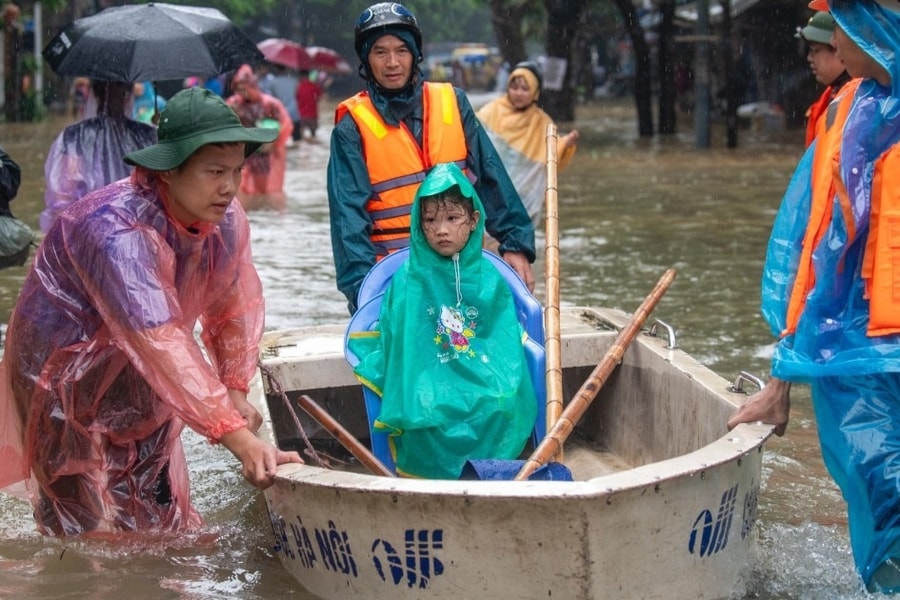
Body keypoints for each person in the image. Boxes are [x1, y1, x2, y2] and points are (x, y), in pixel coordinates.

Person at [0, 87, 303, 537]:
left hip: (140, 373)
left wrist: (236, 388)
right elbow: (160, 341)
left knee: (157, 520)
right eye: (215, 171)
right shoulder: (117, 231)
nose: (230, 186)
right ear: (167, 171)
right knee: (77, 529)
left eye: (237, 171)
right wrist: (237, 436)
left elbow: (232, 309)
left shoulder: (226, 220)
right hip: (57, 372)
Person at [727, 0, 900, 593]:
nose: (825, 47)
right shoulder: (848, 110)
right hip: (855, 339)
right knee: (874, 474)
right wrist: (782, 377)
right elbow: (814, 249)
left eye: (840, 32)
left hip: (869, 337)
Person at [328, 2, 536, 314]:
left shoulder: (454, 102)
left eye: (401, 50)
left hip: (461, 270)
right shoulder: (351, 127)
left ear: (415, 54)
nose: (392, 62)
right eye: (380, 52)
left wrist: (516, 244)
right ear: (366, 60)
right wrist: (363, 292)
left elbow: (492, 178)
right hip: (394, 279)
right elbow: (348, 221)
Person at [347, 162, 537, 479]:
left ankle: (490, 469)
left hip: (481, 365)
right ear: (419, 225)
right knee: (425, 408)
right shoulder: (409, 279)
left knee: (500, 399)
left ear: (474, 220)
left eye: (452, 218)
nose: (441, 230)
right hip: (425, 372)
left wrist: (492, 373)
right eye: (431, 220)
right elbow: (407, 345)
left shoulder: (488, 277)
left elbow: (500, 338)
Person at [41, 80, 158, 233]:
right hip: (139, 233)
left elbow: (62, 196)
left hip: (89, 235)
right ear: (129, 94)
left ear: (94, 92)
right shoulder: (147, 135)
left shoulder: (74, 136)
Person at [477, 61, 580, 228]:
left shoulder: (542, 123)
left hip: (522, 201)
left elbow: (551, 159)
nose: (518, 93)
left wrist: (566, 144)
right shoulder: (491, 111)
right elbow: (473, 138)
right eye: (514, 87)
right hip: (490, 194)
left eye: (525, 89)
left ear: (535, 92)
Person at [226, 64, 294, 209]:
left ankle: (265, 213)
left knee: (265, 189)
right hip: (244, 154)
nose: (242, 93)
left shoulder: (270, 104)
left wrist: (273, 143)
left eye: (244, 89)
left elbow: (286, 124)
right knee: (243, 189)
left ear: (252, 86)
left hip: (266, 155)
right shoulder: (233, 104)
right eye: (238, 90)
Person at [796, 10, 853, 147]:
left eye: (816, 51)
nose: (810, 58)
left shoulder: (856, 99)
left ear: (838, 48)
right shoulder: (833, 95)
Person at [267, 64, 301, 144]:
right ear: (287, 69)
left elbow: (273, 98)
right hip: (295, 113)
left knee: (281, 142)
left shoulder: (273, 82)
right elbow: (298, 96)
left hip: (282, 113)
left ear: (277, 69)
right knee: (297, 141)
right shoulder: (294, 80)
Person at [295, 70, 324, 141]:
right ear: (308, 76)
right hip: (312, 114)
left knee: (301, 136)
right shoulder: (313, 85)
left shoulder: (298, 86)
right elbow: (320, 96)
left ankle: (302, 148)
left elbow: (296, 98)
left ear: (301, 76)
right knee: (314, 135)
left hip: (302, 114)